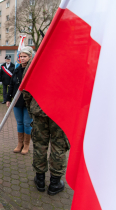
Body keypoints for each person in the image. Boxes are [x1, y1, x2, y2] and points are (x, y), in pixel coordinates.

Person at [21, 47, 70, 195]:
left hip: (40, 109)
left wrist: (31, 107)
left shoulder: (37, 59)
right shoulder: (70, 58)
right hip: (61, 112)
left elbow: (26, 85)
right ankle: (54, 183)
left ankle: (40, 179)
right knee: (59, 147)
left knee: (40, 145)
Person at [6, 52, 33, 155]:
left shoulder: (32, 70)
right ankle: (20, 143)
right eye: (21, 56)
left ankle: (26, 145)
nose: (22, 58)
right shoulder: (16, 70)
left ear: (30, 57)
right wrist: (8, 99)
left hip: (28, 102)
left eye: (24, 56)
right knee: (19, 123)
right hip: (17, 101)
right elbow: (11, 85)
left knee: (27, 123)